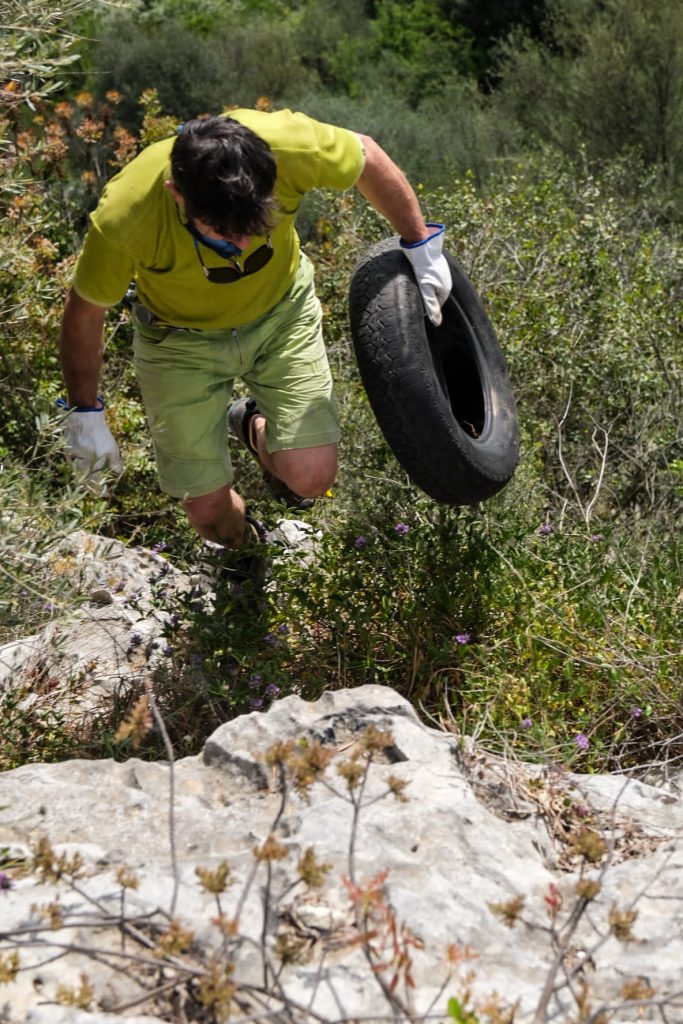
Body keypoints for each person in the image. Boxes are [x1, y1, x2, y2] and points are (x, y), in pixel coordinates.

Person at [59, 108, 451, 575]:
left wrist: (420, 244)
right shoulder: (128, 212)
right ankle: (251, 551)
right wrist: (85, 413)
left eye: (255, 223)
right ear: (177, 196)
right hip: (179, 342)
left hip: (280, 313)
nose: (243, 243)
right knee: (205, 512)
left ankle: (249, 423)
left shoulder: (288, 144)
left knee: (311, 479)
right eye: (223, 234)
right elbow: (85, 314)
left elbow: (366, 155)